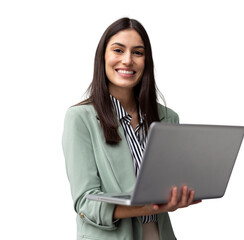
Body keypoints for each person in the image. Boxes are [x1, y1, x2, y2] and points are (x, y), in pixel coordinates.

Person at [62, 17, 200, 240]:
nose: (127, 60)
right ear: (103, 57)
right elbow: (85, 202)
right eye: (118, 50)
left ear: (146, 61)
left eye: (137, 52)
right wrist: (147, 208)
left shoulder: (167, 117)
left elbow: (170, 183)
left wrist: (180, 193)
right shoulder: (80, 118)